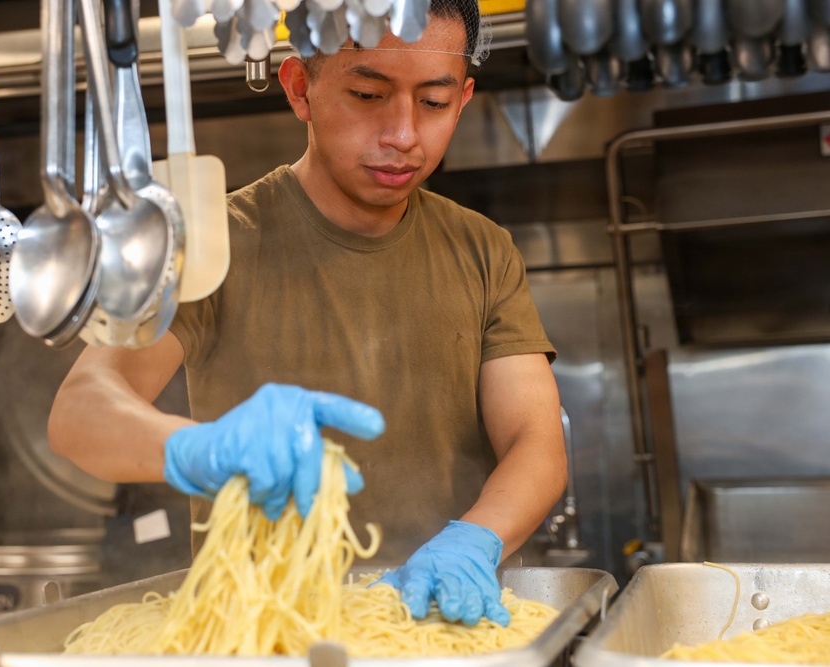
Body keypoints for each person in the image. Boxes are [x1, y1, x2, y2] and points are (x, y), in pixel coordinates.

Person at [49, 0, 567, 629]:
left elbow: (535, 443)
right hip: (261, 632)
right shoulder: (214, 242)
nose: (404, 134)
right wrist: (195, 449)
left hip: (444, 623)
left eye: (433, 103)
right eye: (369, 95)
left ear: (462, 99)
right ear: (300, 89)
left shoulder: (483, 250)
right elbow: (81, 410)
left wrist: (476, 539)